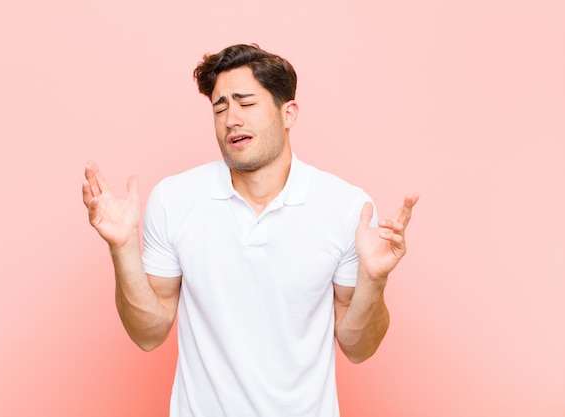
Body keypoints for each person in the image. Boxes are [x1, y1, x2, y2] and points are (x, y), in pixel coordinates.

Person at [82, 44, 419, 417]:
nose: (230, 119)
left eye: (245, 103)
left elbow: (358, 347)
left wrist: (374, 280)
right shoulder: (174, 199)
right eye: (220, 107)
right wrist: (124, 247)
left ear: (287, 112)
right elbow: (149, 334)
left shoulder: (345, 207)